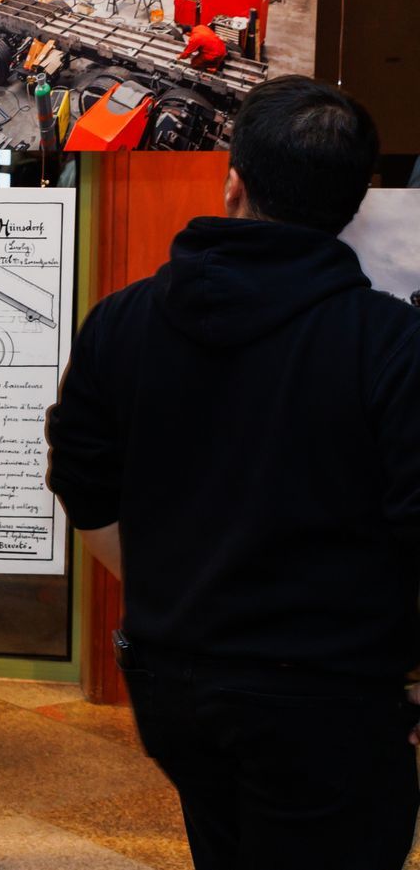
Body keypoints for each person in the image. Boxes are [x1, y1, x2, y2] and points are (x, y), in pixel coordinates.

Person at [46, 75, 420, 870]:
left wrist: (176, 591)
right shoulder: (390, 343)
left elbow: (83, 484)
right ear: (353, 202)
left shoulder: (121, 320)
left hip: (174, 686)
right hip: (332, 698)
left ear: (233, 182)